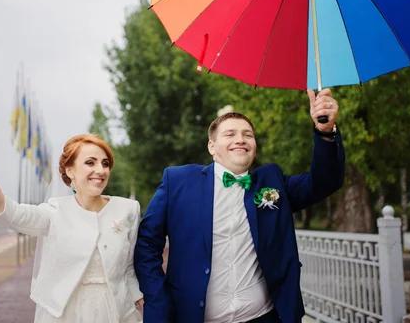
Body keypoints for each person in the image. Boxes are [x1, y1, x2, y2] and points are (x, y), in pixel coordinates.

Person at [134, 89, 345, 323]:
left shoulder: (272, 182)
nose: (240, 139)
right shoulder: (178, 182)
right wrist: (157, 298)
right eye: (230, 134)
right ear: (212, 147)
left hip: (264, 317)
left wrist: (325, 131)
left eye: (248, 134)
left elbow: (325, 181)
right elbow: (147, 244)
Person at [0, 133, 144, 323]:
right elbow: (7, 213)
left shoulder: (128, 209)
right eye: (90, 163)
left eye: (105, 163)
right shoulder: (53, 212)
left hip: (119, 313)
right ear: (70, 171)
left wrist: (142, 299)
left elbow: (128, 268)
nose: (100, 170)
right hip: (64, 313)